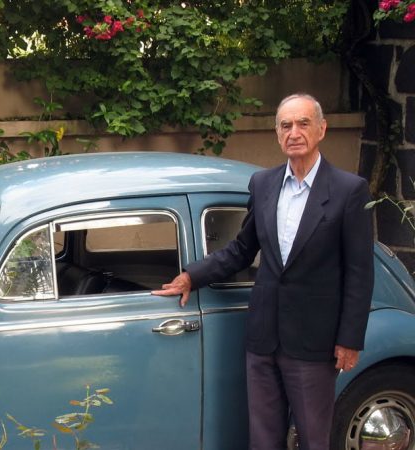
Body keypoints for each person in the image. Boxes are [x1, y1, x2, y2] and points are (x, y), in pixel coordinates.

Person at [153, 93, 374, 450]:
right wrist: (192, 276)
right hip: (263, 336)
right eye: (286, 125)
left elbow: (359, 271)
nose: (294, 132)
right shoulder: (263, 184)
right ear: (277, 133)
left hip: (314, 342)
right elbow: (242, 249)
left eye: (303, 123)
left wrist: (350, 339)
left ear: (322, 129)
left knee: (313, 438)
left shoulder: (350, 190)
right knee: (263, 439)